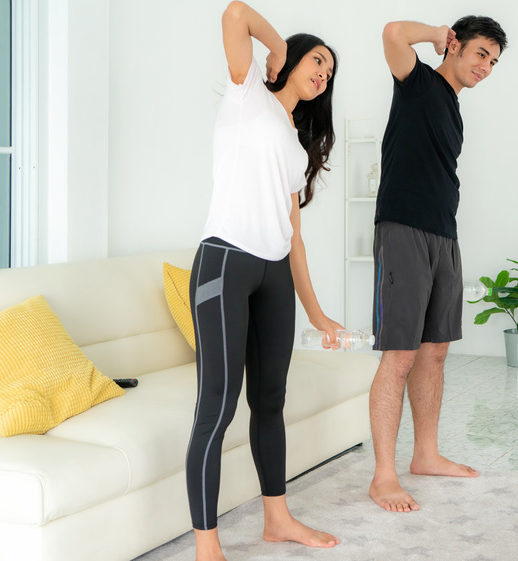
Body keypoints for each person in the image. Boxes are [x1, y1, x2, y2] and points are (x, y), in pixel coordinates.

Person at [185, 2, 341, 558]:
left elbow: (293, 233)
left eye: (330, 70)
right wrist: (274, 47)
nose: (323, 73)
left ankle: (278, 518)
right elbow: (235, 13)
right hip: (225, 263)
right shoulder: (246, 91)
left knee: (270, 400)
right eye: (316, 60)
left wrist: (318, 313)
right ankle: (208, 547)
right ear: (292, 59)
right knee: (217, 407)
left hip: (274, 274)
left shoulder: (296, 144)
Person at [369, 16, 508, 512]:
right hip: (402, 230)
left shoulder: (453, 107)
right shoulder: (418, 81)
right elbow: (391, 33)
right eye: (480, 54)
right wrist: (434, 33)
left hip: (444, 236)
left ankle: (425, 453)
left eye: (493, 61)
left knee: (435, 352)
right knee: (399, 355)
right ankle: (383, 475)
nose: (486, 67)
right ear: (456, 47)